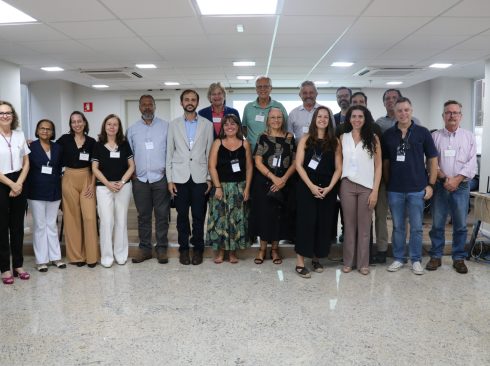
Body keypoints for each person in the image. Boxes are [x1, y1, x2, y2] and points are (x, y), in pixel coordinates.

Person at [382, 97, 437, 275]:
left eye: (406, 110)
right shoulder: (388, 134)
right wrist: (388, 183)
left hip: (417, 188)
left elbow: (432, 160)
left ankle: (415, 260)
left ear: (411, 111)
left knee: (416, 227)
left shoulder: (423, 133)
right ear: (394, 113)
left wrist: (431, 185)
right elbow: (385, 163)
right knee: (398, 226)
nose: (403, 113)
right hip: (395, 189)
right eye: (399, 111)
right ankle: (398, 258)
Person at [428, 100, 477, 274]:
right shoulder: (435, 137)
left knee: (461, 225)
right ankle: (436, 256)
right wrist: (444, 178)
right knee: (437, 223)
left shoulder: (469, 137)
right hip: (441, 186)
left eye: (455, 113)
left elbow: (472, 163)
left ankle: (458, 258)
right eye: (448, 112)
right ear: (443, 116)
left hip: (461, 186)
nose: (452, 116)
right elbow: (431, 162)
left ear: (461, 116)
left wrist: (456, 180)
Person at [373, 89, 421, 264]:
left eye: (395, 98)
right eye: (387, 98)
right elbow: (380, 154)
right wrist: (385, 177)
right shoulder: (379, 123)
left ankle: (408, 253)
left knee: (407, 219)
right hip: (386, 178)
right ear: (384, 102)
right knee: (382, 216)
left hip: (408, 181)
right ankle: (383, 249)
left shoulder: (416, 124)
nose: (391, 101)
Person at [167, 89, 214, 265]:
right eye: (186, 99)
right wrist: (169, 179)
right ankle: (184, 249)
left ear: (197, 102)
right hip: (179, 178)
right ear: (181, 102)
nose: (190, 102)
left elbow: (210, 154)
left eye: (193, 99)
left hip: (200, 178)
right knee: (181, 217)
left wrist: (209, 177)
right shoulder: (173, 125)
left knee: (198, 216)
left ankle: (198, 249)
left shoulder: (207, 125)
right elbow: (169, 153)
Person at [294, 106, 341, 278]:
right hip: (307, 187)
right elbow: (298, 165)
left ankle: (315, 258)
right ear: (314, 119)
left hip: (327, 188)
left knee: (322, 224)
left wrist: (329, 188)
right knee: (305, 223)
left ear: (329, 121)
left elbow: (338, 168)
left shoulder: (335, 141)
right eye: (319, 116)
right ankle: (300, 262)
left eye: (326, 117)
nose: (322, 119)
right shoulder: (305, 139)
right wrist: (311, 186)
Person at [127, 95, 171, 264]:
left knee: (161, 215)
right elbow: (128, 154)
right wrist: (131, 173)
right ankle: (145, 248)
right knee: (143, 216)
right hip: (140, 180)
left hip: (160, 178)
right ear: (139, 107)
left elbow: (170, 151)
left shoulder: (165, 127)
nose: (147, 107)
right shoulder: (132, 130)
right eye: (144, 105)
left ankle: (161, 248)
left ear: (155, 106)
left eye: (150, 105)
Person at [250, 107, 296, 265]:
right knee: (264, 216)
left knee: (278, 216)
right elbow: (257, 161)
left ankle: (275, 250)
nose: (276, 120)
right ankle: (262, 249)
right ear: (267, 120)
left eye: (279, 117)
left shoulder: (290, 137)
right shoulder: (262, 137)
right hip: (264, 182)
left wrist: (283, 179)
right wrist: (273, 178)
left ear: (283, 119)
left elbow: (295, 161)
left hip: (284, 183)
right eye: (273, 118)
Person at [339, 106, 382, 275]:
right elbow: (339, 163)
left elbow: (378, 166)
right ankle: (348, 261)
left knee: (364, 227)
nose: (357, 119)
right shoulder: (343, 137)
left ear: (365, 119)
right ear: (349, 118)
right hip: (347, 185)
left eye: (360, 116)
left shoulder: (373, 138)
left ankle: (363, 263)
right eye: (354, 116)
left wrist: (375, 190)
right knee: (349, 226)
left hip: (367, 187)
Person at [206, 115, 253, 263]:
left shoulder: (245, 144)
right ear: (223, 128)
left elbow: (249, 167)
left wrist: (247, 188)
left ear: (238, 126)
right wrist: (217, 186)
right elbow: (211, 166)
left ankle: (232, 252)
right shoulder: (217, 143)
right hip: (221, 187)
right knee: (221, 220)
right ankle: (220, 252)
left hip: (239, 187)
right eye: (226, 125)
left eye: (232, 124)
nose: (229, 127)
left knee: (235, 220)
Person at [92, 114, 135, 268]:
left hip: (123, 186)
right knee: (106, 222)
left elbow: (131, 166)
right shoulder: (97, 145)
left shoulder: (124, 144)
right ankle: (107, 257)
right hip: (104, 188)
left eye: (115, 124)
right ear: (104, 126)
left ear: (119, 127)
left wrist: (122, 182)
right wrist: (108, 184)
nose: (112, 127)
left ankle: (121, 255)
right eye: (109, 124)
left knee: (121, 221)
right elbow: (94, 169)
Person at [57, 111, 99, 267]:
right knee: (71, 218)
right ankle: (77, 257)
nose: (77, 124)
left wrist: (92, 184)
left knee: (89, 217)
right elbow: (50, 151)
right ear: (70, 124)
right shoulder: (64, 140)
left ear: (84, 122)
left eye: (79, 121)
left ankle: (92, 256)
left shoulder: (92, 142)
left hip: (87, 178)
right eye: (73, 122)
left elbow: (95, 164)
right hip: (68, 178)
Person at [26, 119, 65, 272]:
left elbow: (61, 167)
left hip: (54, 190)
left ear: (52, 132)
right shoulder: (30, 147)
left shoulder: (58, 148)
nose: (45, 131)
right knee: (40, 225)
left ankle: (56, 257)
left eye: (48, 129)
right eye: (42, 128)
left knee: (52, 225)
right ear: (37, 130)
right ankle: (41, 260)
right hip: (36, 191)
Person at [0, 101, 30, 284]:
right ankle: (4, 268)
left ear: (13, 115)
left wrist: (18, 183)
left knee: (18, 227)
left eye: (8, 112)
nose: (5, 116)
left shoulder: (19, 135)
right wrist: (11, 184)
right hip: (2, 182)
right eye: (1, 113)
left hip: (19, 180)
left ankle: (18, 265)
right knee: (2, 227)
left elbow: (26, 161)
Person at [242, 76, 288, 150]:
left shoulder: (279, 106)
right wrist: (252, 140)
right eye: (259, 86)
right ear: (256, 89)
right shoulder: (248, 107)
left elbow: (285, 126)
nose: (262, 89)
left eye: (266, 86)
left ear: (271, 88)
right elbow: (244, 127)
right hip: (252, 151)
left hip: (273, 151)